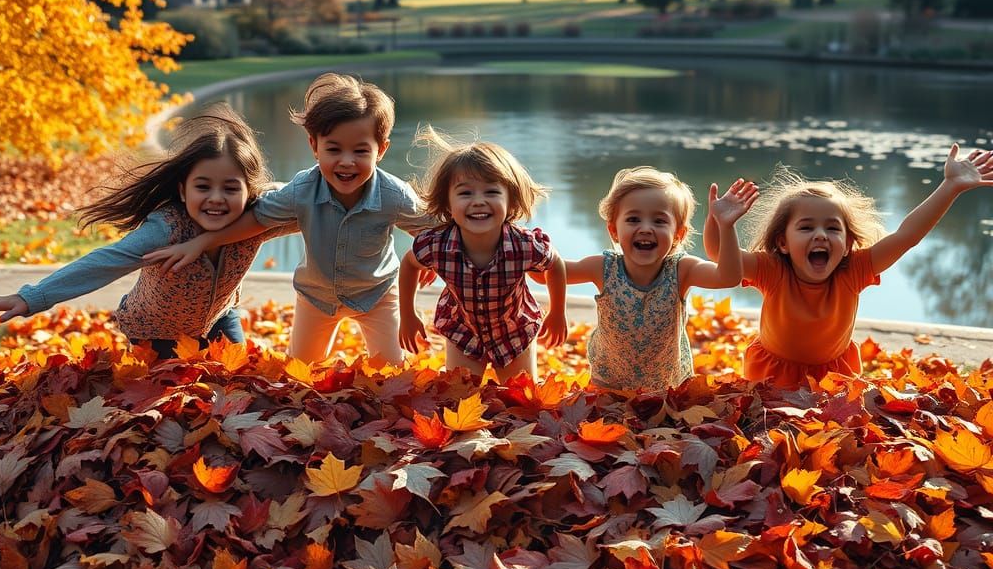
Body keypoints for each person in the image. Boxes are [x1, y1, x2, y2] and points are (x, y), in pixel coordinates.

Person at [144, 73, 430, 365]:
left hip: (377, 295)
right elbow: (257, 219)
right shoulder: (303, 190)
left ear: (381, 150)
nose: (346, 161)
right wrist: (204, 241)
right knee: (300, 371)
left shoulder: (394, 195)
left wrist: (428, 256)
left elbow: (434, 228)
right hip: (316, 298)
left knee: (393, 372)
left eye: (360, 151)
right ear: (314, 146)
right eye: (333, 149)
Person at [0, 108, 293, 358]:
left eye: (230, 188)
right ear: (183, 191)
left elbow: (307, 204)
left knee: (241, 382)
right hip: (156, 332)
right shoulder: (165, 229)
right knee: (168, 403)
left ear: (248, 191)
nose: (216, 198)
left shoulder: (258, 218)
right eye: (203, 186)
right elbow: (104, 261)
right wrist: (31, 297)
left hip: (220, 320)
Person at [703, 145, 993, 389]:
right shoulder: (773, 269)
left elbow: (907, 236)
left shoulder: (854, 270)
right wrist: (721, 223)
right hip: (772, 373)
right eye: (806, 227)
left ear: (848, 242)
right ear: (782, 242)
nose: (820, 235)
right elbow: (719, 255)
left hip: (834, 375)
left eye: (832, 228)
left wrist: (950, 186)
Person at [555, 166, 757, 391]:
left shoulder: (681, 270)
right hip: (608, 386)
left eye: (659, 221)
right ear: (613, 230)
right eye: (633, 219)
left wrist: (726, 226)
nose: (646, 228)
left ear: (678, 234)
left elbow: (727, 277)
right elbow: (549, 271)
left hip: (666, 389)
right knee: (609, 426)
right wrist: (530, 248)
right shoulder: (602, 268)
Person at [398, 128, 568, 381]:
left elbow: (555, 264)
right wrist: (407, 315)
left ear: (511, 201)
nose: (478, 201)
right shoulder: (436, 246)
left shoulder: (524, 246)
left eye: (491, 192)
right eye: (465, 193)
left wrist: (557, 313)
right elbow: (409, 264)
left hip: (513, 332)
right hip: (463, 331)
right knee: (461, 395)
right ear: (448, 204)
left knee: (520, 397)